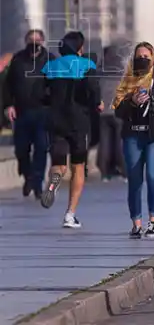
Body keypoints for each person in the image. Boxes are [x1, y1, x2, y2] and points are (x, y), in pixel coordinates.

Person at [112, 42, 154, 238]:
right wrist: (132, 102)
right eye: (138, 56)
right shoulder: (127, 80)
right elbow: (118, 112)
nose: (142, 60)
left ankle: (153, 221)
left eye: (146, 57)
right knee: (134, 180)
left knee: (152, 176)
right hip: (132, 136)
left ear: (153, 58)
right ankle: (136, 224)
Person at [40, 31, 103, 228]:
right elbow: (93, 89)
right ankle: (70, 214)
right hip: (79, 122)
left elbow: (41, 93)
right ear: (79, 48)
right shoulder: (87, 65)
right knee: (78, 166)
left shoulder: (50, 66)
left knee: (58, 162)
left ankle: (55, 179)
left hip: (56, 120)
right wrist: (97, 103)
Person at [3, 29, 52, 198]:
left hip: (43, 112)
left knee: (41, 148)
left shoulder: (50, 60)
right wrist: (8, 105)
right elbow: (8, 85)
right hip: (21, 112)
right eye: (31, 40)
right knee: (21, 149)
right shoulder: (18, 59)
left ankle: (37, 183)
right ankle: (28, 176)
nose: (34, 43)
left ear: (42, 42)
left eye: (37, 40)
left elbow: (58, 85)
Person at [97, 46, 126, 181]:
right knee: (121, 142)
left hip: (102, 112)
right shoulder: (122, 71)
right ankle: (124, 170)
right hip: (119, 111)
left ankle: (105, 172)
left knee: (104, 142)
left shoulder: (99, 71)